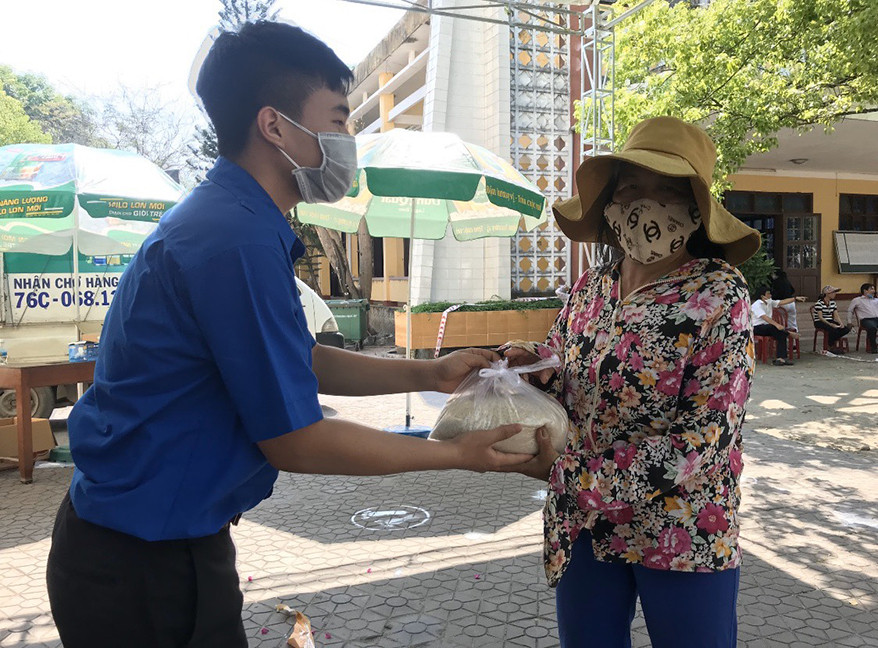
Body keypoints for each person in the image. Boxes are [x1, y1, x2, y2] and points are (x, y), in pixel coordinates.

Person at [45, 22, 538, 648]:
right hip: (145, 565)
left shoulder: (233, 221)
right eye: (336, 120)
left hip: (149, 545)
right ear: (274, 125)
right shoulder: (234, 239)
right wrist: (455, 455)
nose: (347, 141)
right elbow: (296, 441)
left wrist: (428, 373)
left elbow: (297, 361)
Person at [504, 116, 761, 648]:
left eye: (667, 190)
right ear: (612, 203)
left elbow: (705, 439)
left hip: (683, 527)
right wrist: (530, 370)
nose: (647, 203)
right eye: (632, 187)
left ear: (695, 208)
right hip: (586, 526)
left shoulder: (718, 294)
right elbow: (563, 371)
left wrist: (574, 473)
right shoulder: (591, 286)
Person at [751, 286, 805, 366]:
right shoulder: (756, 305)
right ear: (763, 296)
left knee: (780, 334)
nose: (770, 295)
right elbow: (765, 318)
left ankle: (781, 358)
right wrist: (777, 325)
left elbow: (782, 302)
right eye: (768, 294)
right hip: (757, 327)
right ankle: (789, 333)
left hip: (768, 327)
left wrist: (795, 298)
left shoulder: (769, 302)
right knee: (774, 327)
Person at [813, 285, 851, 353]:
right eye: (833, 292)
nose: (835, 294)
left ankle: (830, 343)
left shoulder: (833, 303)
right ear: (827, 294)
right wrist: (830, 324)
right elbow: (820, 317)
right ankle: (830, 345)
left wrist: (840, 323)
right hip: (820, 321)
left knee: (845, 329)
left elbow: (836, 315)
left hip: (829, 320)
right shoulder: (819, 303)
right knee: (833, 330)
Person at [847, 283, 878, 353]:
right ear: (865, 291)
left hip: (877, 318)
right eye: (871, 289)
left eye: (874, 289)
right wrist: (849, 322)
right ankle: (873, 347)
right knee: (872, 328)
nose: (874, 291)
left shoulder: (876, 300)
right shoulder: (857, 300)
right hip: (866, 320)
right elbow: (850, 310)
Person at [771, 269, 800, 334]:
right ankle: (794, 337)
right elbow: (793, 290)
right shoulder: (787, 281)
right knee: (792, 322)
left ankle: (782, 336)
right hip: (791, 303)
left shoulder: (776, 282)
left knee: (780, 321)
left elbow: (775, 294)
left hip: (781, 303)